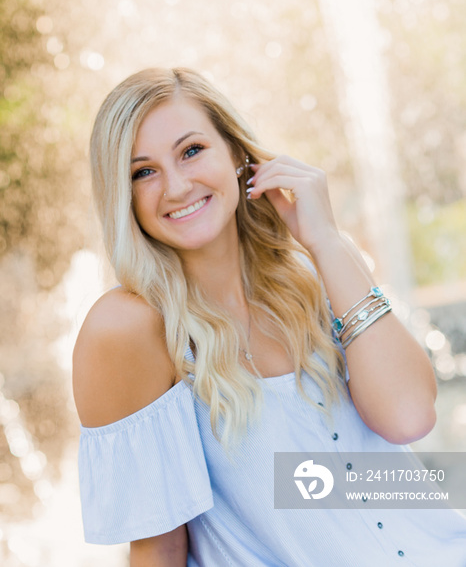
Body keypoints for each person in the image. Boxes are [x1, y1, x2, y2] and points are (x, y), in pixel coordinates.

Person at [73, 67, 466, 566]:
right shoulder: (129, 327)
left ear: (238, 154)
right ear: (123, 195)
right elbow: (158, 546)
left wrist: (326, 240)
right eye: (142, 172)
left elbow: (409, 417)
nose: (175, 186)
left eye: (192, 151)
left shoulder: (313, 271)